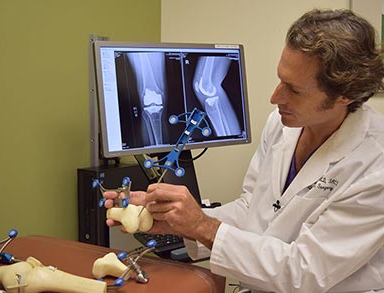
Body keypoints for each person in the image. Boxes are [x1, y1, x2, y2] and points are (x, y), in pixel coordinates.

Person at [104, 9, 384, 293]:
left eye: (294, 90)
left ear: (344, 96)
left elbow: (305, 272)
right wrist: (177, 221)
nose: (275, 98)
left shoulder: (375, 165)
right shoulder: (283, 125)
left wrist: (202, 226)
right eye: (280, 79)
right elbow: (252, 209)